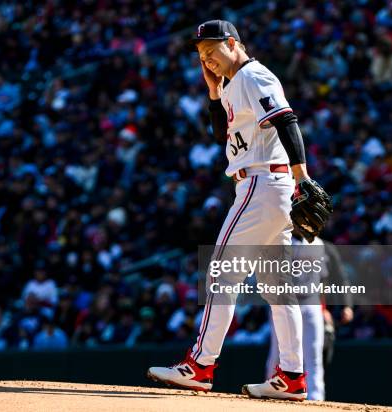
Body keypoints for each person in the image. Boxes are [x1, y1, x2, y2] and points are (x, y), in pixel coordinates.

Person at [147, 20, 332, 401]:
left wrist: (303, 177)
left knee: (222, 273)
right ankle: (293, 377)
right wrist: (215, 94)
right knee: (277, 290)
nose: (207, 59)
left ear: (233, 43)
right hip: (264, 185)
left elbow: (285, 119)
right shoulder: (233, 84)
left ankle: (200, 364)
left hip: (262, 185)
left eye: (212, 51)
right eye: (201, 55)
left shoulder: (253, 74)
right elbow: (222, 136)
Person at [265, 229, 353, 400]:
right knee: (277, 355)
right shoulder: (280, 242)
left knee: (313, 357)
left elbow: (337, 279)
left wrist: (344, 305)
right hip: (284, 305)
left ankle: (315, 400)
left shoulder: (324, 247)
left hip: (311, 305)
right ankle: (271, 393)